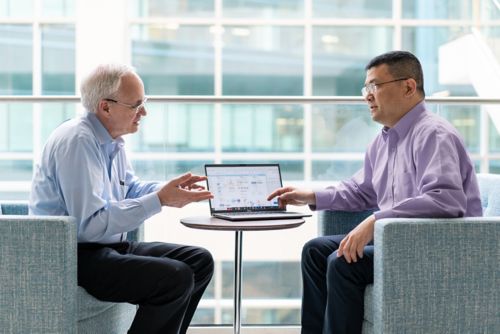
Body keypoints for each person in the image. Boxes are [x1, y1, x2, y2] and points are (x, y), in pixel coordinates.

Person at [267, 50, 483, 334]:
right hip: (399, 242)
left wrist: (375, 221)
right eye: (366, 88)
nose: (367, 96)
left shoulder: (433, 134)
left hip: (438, 248)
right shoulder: (383, 140)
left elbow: (445, 200)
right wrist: (311, 195)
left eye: (375, 86)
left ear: (408, 87)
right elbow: (361, 191)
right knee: (316, 251)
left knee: (343, 262)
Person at [29, 63, 214, 334]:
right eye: (136, 105)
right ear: (106, 107)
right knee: (174, 278)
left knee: (199, 261)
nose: (144, 112)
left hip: (105, 247)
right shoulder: (78, 141)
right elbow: (90, 225)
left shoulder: (110, 140)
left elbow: (129, 189)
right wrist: (160, 200)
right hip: (71, 255)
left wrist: (168, 190)